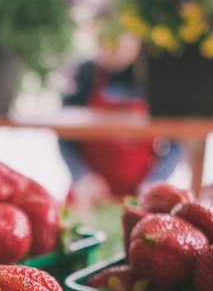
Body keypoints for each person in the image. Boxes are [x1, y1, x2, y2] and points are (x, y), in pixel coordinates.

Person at [60, 30, 183, 207]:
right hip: (88, 196)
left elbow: (176, 143)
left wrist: (155, 181)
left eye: (122, 37)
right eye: (108, 37)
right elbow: (64, 137)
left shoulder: (155, 77)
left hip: (140, 196)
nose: (114, 46)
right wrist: (82, 176)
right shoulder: (83, 74)